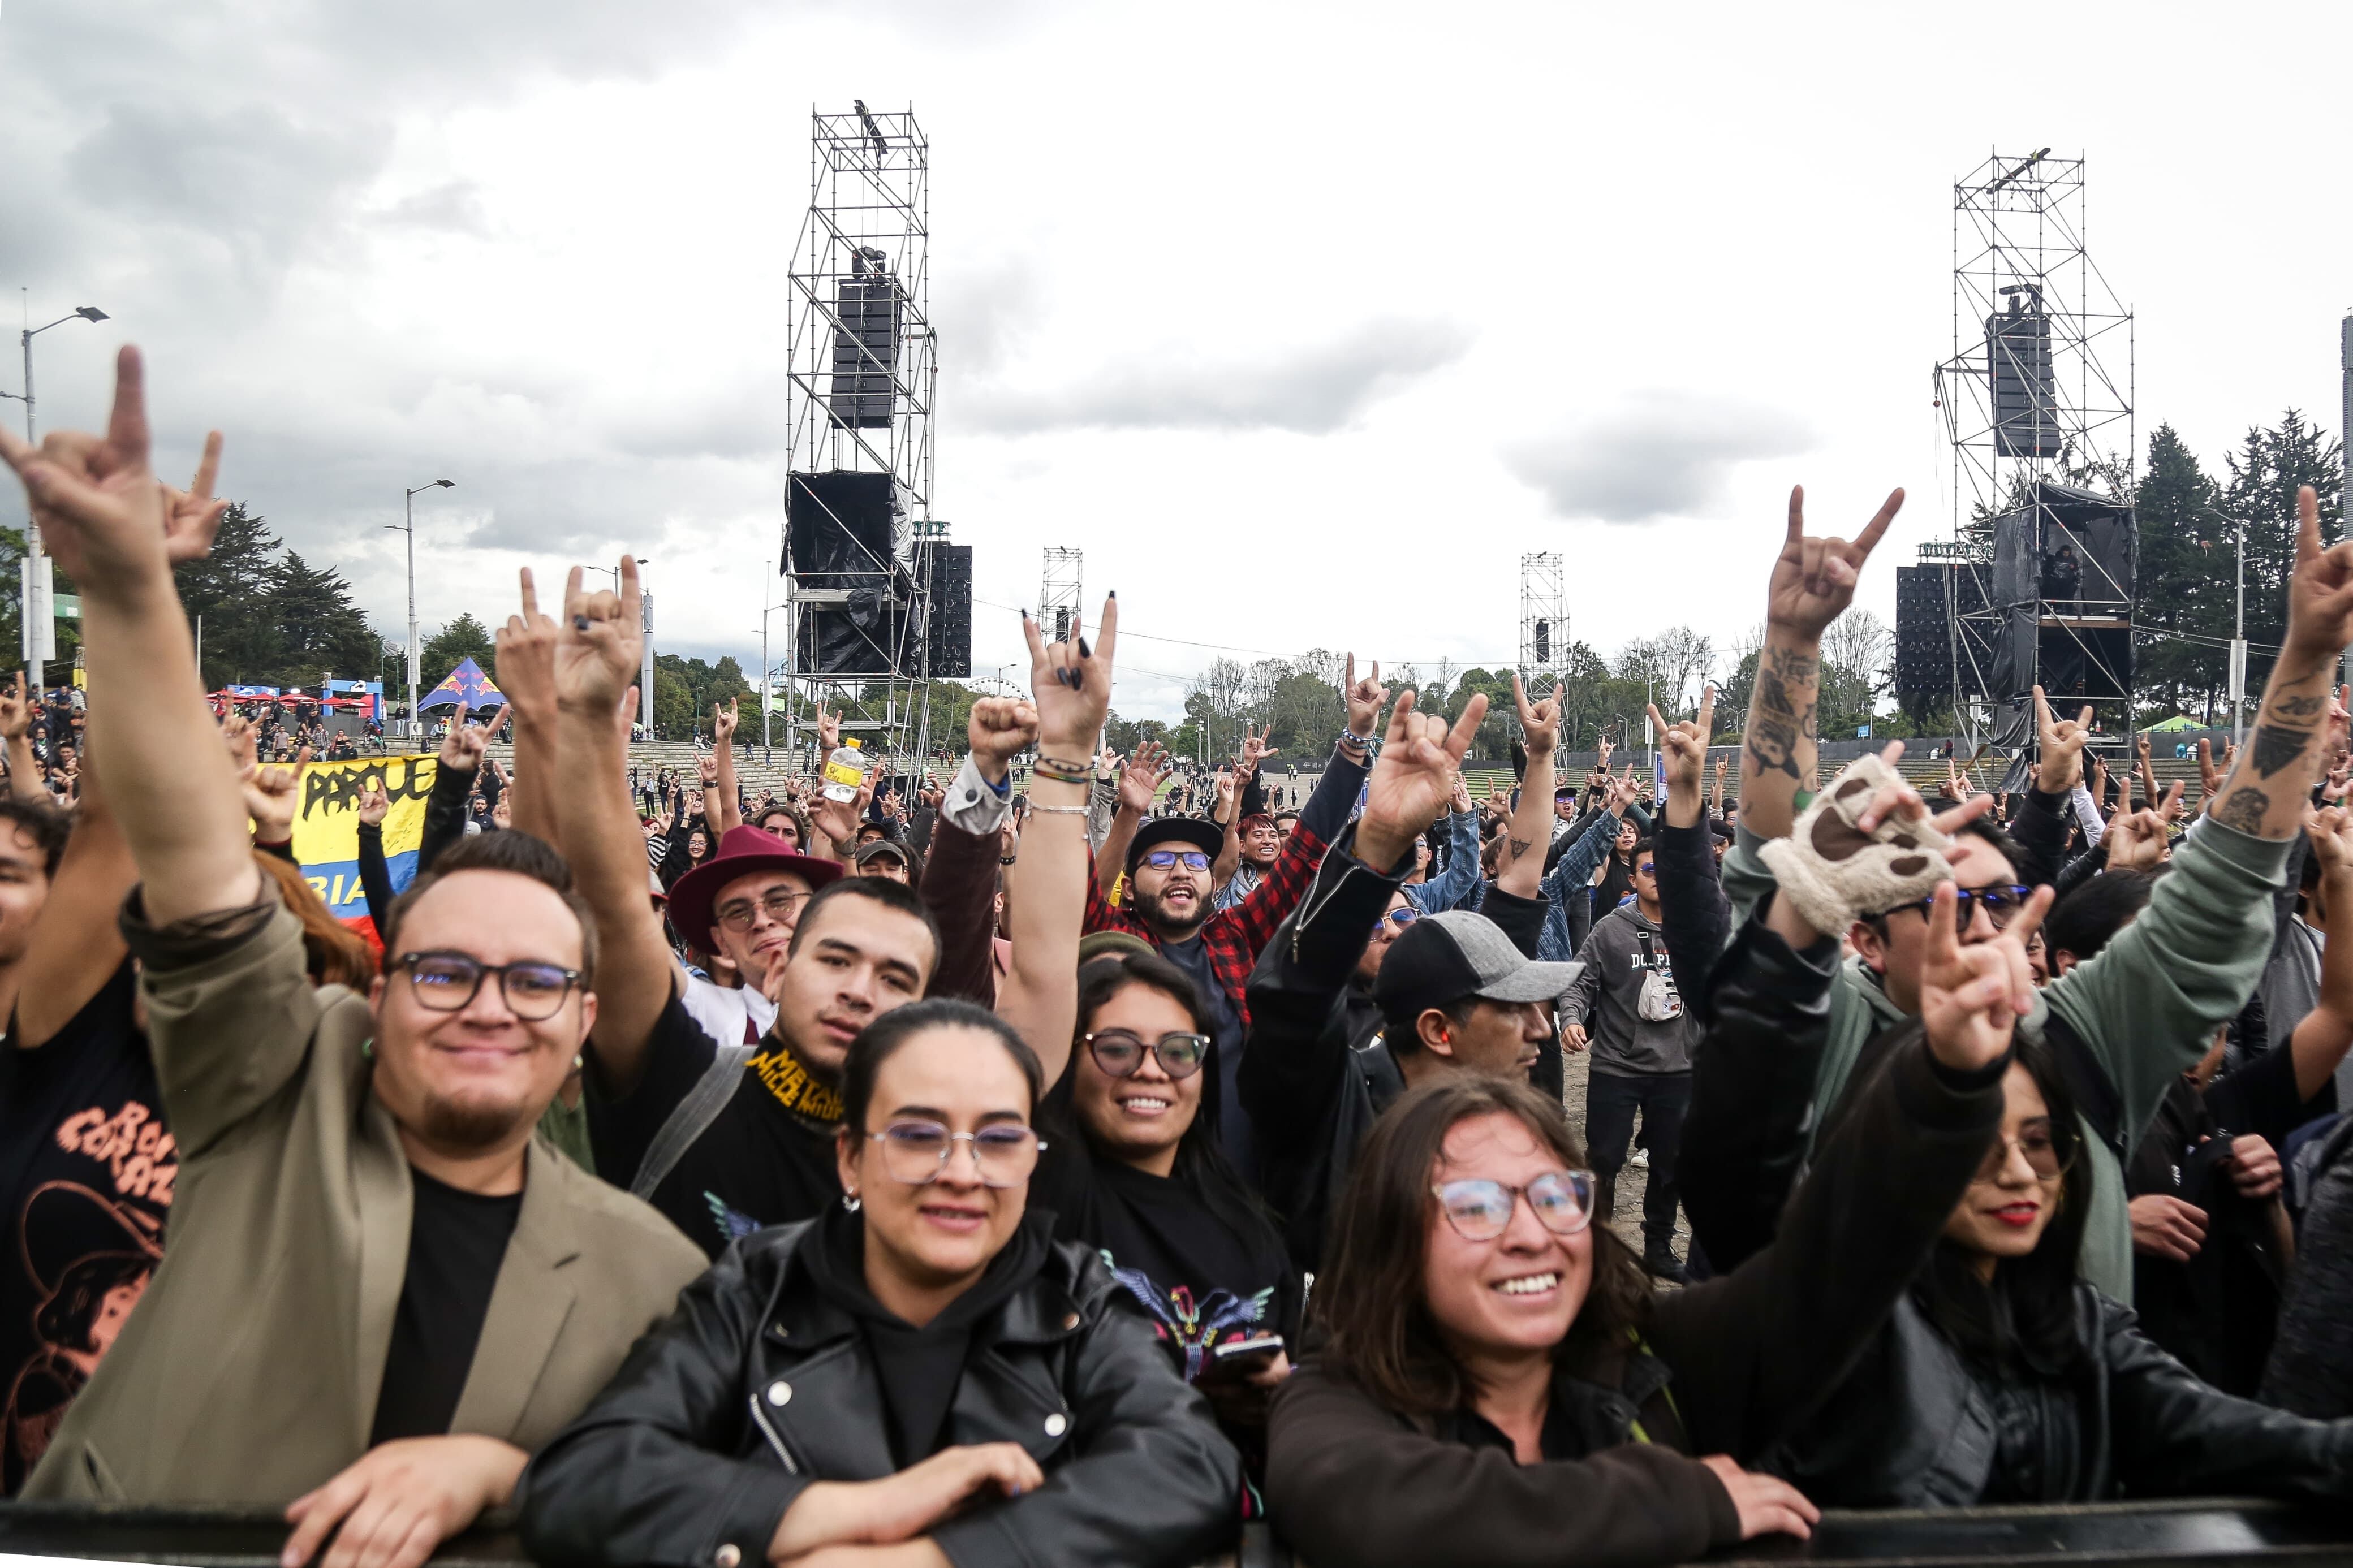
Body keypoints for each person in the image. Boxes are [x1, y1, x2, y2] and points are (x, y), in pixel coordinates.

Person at [0, 351, 704, 1568]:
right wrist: (126, 597)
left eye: (535, 981)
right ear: (374, 992)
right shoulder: (273, 1090)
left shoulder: (661, 1274)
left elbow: (701, 1495)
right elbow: (178, 843)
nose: (490, 1004)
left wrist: (513, 1473)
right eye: (444, 972)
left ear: (585, 1023)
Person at [1708, 484, 2353, 1303]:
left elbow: (2219, 896)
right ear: (1865, 940)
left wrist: (2304, 659)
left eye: (2005, 897)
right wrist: (1794, 643)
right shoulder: (1828, 1031)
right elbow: (1771, 878)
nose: (1984, 925)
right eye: (1945, 902)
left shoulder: (2079, 1035)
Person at [1264, 875, 2023, 1568]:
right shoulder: (1339, 1389)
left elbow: (1832, 1263)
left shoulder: (1659, 1362)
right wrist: (1682, 1499)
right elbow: (1386, 1513)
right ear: (1398, 1228)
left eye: (1555, 1196)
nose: (1530, 1234)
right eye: (1477, 1204)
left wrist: (1949, 1081)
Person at [518, 1001, 1241, 1568]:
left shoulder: (1076, 1297)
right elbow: (591, 1473)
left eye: (997, 1139)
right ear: (851, 1159)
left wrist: (941, 1556)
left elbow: (1189, 1464)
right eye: (919, 1134)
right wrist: (865, 1509)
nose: (961, 1172)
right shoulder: (758, 1286)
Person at [1759, 880, 2353, 1505]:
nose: (2017, 1172)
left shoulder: (2079, 1322)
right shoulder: (1829, 1328)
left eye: (2038, 1143)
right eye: (1977, 1147)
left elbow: (2219, 1433)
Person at [561, 570, 1102, 1254]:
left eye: (895, 979)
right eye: (836, 958)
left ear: (920, 1006)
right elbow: (611, 914)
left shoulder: (955, 1141)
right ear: (782, 964)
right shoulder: (689, 1083)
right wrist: (583, 728)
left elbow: (1044, 969)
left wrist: (1065, 756)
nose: (858, 988)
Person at [1081, 655, 1386, 1174]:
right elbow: (1079, 892)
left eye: (1195, 860)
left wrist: (1355, 740)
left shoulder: (1237, 933)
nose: (1181, 870)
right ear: (1128, 890)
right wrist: (1126, 812)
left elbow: (1305, 852)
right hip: (1136, 1180)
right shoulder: (1113, 941)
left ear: (1211, 878)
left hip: (1244, 1183)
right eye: (1161, 860)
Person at [1027, 951, 1303, 1503]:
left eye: (1179, 1051)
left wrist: (1282, 1396)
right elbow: (1040, 966)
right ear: (1069, 1059)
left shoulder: (1249, 1226)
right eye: (1115, 1048)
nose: (1150, 1069)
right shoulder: (1041, 1196)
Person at [1561, 837, 1699, 1281]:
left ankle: (1658, 1246)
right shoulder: (1610, 929)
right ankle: (1597, 1250)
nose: (1657, 877)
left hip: (1677, 1066)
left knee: (1671, 1163)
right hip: (1616, 1066)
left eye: (1665, 869)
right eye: (1648, 870)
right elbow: (1578, 982)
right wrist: (1571, 1018)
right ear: (1634, 876)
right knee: (1603, 1159)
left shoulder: (1696, 928)